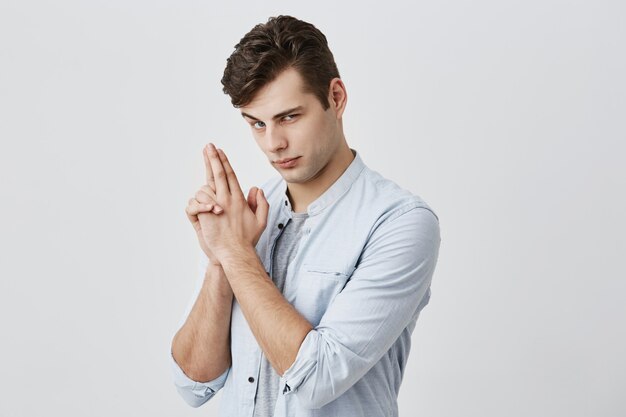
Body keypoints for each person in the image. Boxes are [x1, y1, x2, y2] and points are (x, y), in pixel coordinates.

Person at [169, 15, 441, 417]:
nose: (273, 143)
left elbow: (315, 379)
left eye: (289, 117)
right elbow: (194, 384)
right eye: (257, 123)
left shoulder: (401, 223)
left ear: (336, 97)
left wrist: (237, 253)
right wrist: (219, 261)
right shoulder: (242, 220)